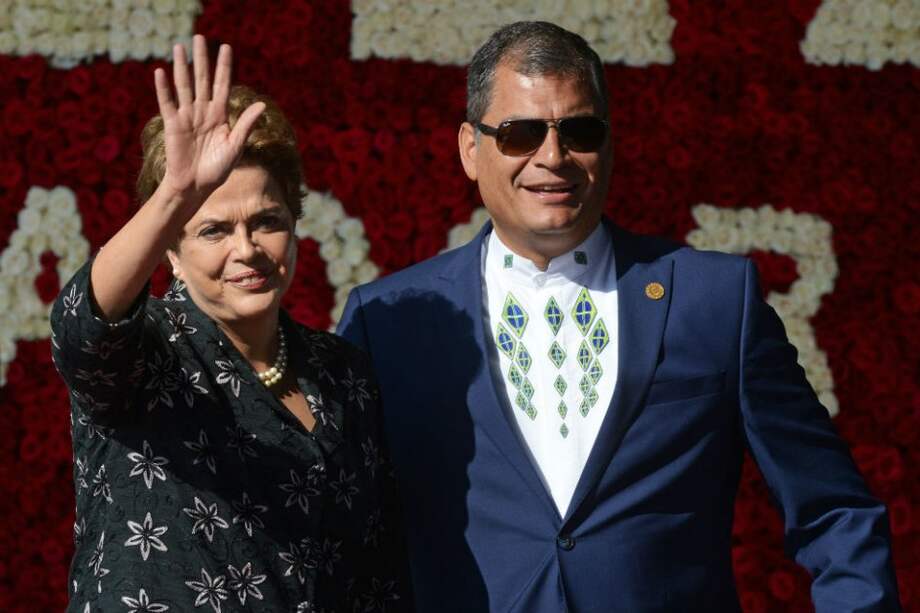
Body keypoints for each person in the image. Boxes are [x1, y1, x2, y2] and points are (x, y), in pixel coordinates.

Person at [337, 21, 900, 613]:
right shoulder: (390, 322)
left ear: (609, 144)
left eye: (579, 130)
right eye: (521, 133)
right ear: (470, 149)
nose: (552, 158)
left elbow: (834, 510)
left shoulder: (712, 300)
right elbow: (327, 521)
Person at [52, 35, 407, 612]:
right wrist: (176, 194)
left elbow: (374, 569)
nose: (248, 250)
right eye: (214, 230)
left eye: (267, 221)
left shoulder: (341, 372)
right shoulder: (148, 351)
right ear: (169, 249)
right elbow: (82, 327)